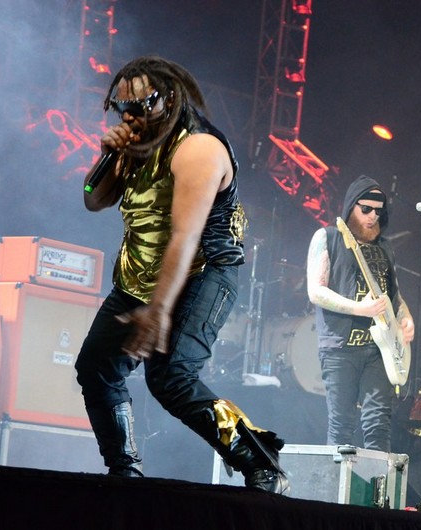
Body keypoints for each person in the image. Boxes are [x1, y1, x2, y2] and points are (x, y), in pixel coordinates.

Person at [74, 55, 288, 493]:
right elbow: (93, 198)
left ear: (168, 99)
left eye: (139, 106)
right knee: (95, 366)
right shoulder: (137, 145)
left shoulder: (198, 149)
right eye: (121, 108)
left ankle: (260, 461)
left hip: (202, 272)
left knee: (171, 377)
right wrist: (109, 156)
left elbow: (185, 237)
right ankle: (124, 470)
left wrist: (158, 311)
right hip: (141, 274)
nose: (129, 117)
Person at [306, 175, 415, 452]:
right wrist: (359, 308)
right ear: (350, 206)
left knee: (378, 424)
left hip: (380, 350)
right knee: (341, 425)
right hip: (340, 348)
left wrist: (406, 317)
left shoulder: (385, 247)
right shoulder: (328, 237)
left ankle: (375, 481)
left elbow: (395, 295)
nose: (372, 216)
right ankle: (336, 482)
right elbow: (315, 291)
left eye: (378, 211)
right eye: (365, 209)